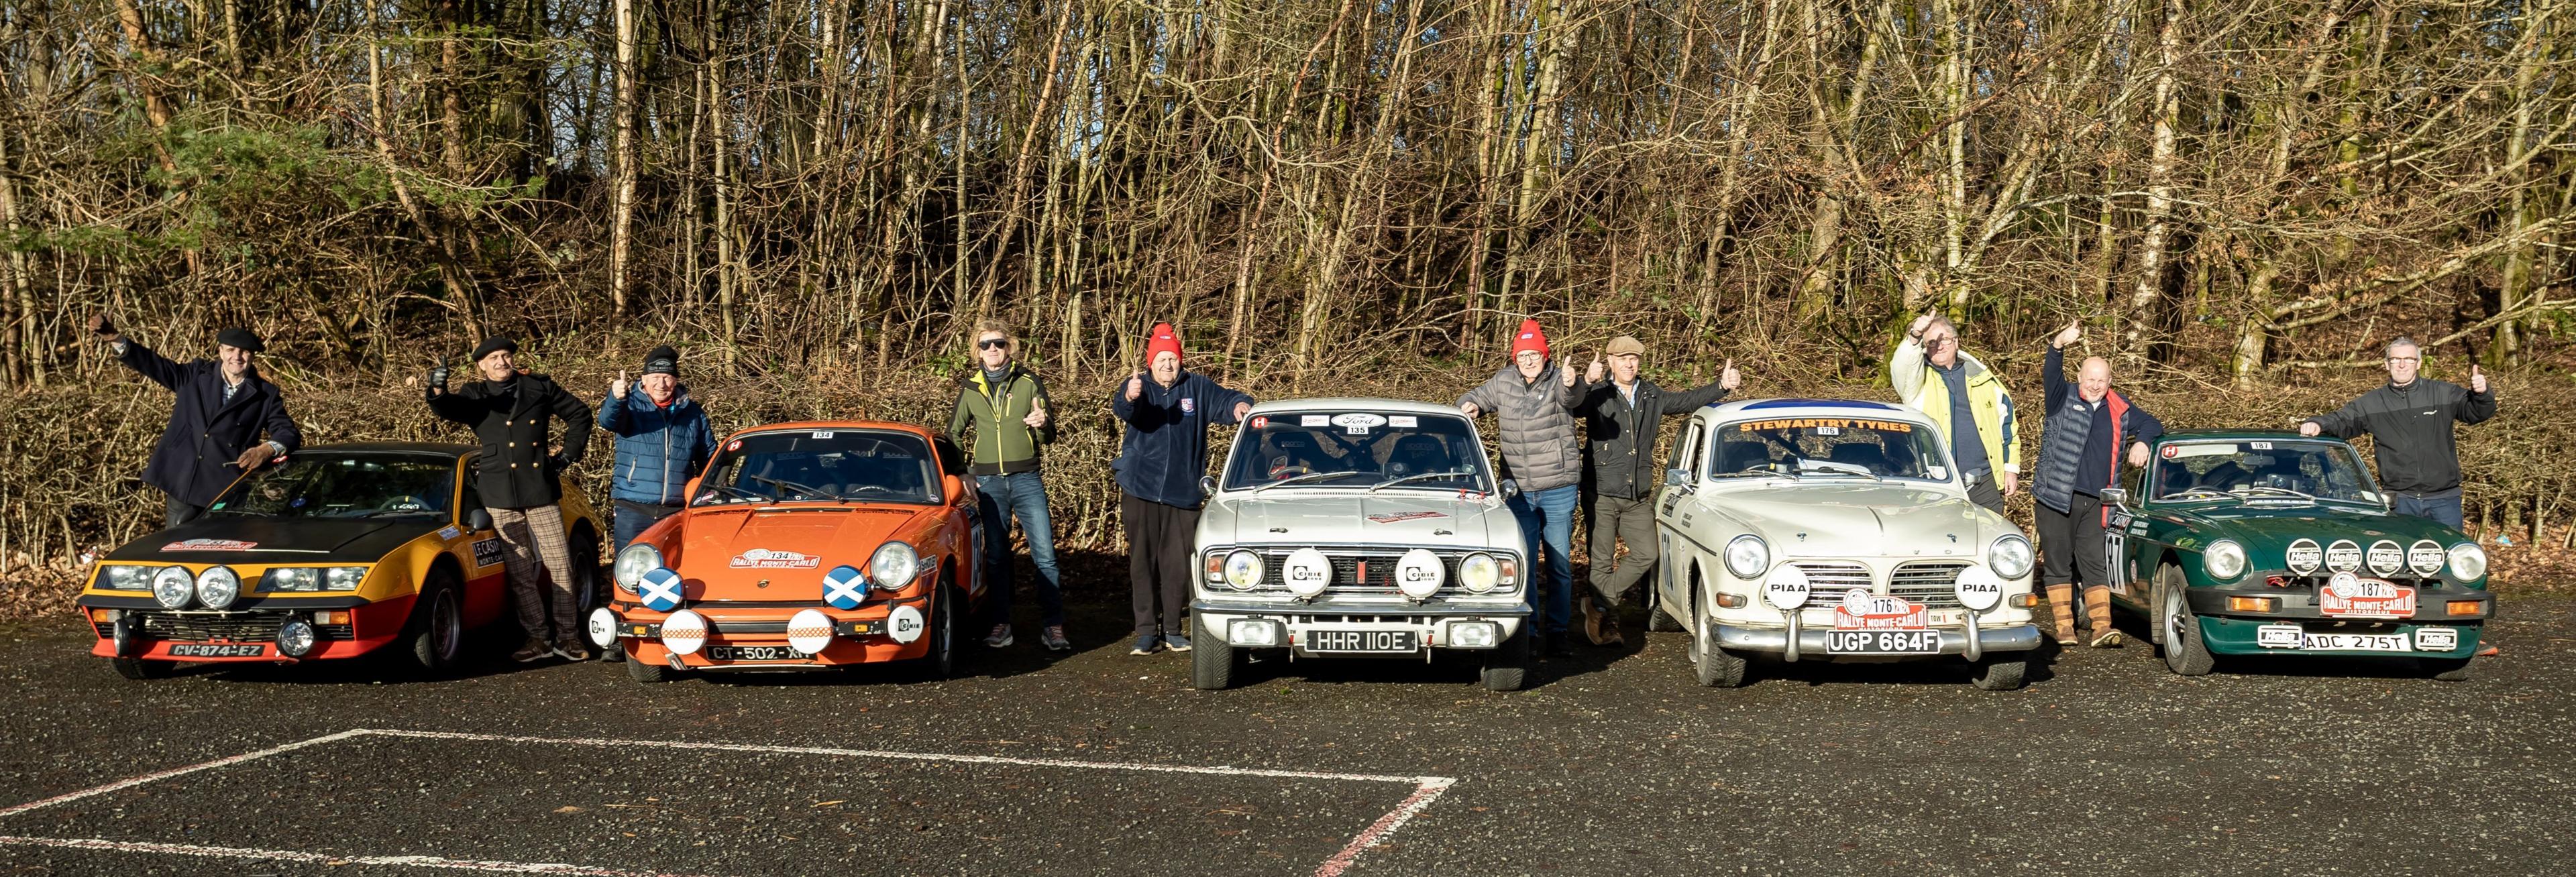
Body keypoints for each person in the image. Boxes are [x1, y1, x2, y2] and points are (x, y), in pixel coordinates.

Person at [414, 337, 596, 663]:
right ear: (481, 365)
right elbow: (449, 409)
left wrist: (567, 456)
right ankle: (537, 637)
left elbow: (580, 414)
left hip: (539, 487)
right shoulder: (475, 394)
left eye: (506, 355)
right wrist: (438, 389)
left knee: (560, 566)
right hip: (499, 492)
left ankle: (568, 637)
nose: (501, 361)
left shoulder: (539, 386)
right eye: (493, 358)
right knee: (520, 570)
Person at [1567, 335, 1739, 646]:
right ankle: (1609, 624)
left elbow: (1686, 401)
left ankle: (1598, 604)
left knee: (1648, 553)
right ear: (1611, 363)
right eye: (1622, 359)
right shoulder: (1597, 393)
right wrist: (1585, 380)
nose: (1629, 364)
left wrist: (1721, 388)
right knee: (1602, 562)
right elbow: (1574, 406)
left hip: (1637, 495)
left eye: (1633, 358)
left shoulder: (1651, 394)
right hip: (1602, 493)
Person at [1109, 323, 1253, 656]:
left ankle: (1173, 630)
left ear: (1180, 360)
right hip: (1140, 489)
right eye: (1160, 359)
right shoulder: (1139, 387)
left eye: (1172, 358)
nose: (1167, 365)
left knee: (1176, 566)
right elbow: (1125, 408)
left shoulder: (1197, 387)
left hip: (1184, 493)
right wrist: (1129, 396)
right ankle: (1146, 632)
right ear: (1150, 362)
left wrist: (1239, 406)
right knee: (1142, 563)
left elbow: (1229, 400)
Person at [89, 315, 303, 527]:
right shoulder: (195, 375)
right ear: (220, 352)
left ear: (253, 356)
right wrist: (114, 338)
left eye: (244, 352)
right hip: (185, 478)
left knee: (221, 550)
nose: (237, 357)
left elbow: (288, 433)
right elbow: (154, 365)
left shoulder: (266, 393)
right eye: (230, 350)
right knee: (179, 548)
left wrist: (266, 450)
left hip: (227, 486)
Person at [2031, 319, 2163, 648]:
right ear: (2079, 379)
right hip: (2055, 496)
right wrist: (2059, 343)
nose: (2095, 385)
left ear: (2109, 382)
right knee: (2059, 561)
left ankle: (2102, 626)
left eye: (2101, 380)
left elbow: (2153, 423)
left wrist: (2143, 442)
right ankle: (2064, 627)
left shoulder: (2119, 408)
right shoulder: (2061, 398)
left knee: (2094, 562)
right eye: (2090, 379)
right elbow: (2051, 371)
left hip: (2097, 500)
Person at [1458, 318, 1586, 658]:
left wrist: (1574, 384)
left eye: (1535, 354)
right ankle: (1526, 631)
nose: (1529, 360)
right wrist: (1468, 404)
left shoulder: (1560, 379)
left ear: (1545, 355)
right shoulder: (1504, 381)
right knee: (1524, 561)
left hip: (1558, 486)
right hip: (1517, 490)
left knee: (1559, 564)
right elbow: (1476, 396)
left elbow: (1573, 398)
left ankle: (1558, 632)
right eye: (1523, 355)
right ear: (1516, 358)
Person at [947, 320, 1070, 652]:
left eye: (998, 343)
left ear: (1009, 346)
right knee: (998, 558)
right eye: (986, 344)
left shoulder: (1030, 382)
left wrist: (1043, 425)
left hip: (1027, 479)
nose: (992, 350)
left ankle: (1053, 626)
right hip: (988, 483)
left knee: (1045, 556)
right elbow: (953, 433)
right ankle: (1001, 625)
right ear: (978, 350)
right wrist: (962, 472)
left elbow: (1050, 435)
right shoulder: (970, 388)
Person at [2299, 337, 2497, 529]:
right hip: (2400, 501)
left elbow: (2476, 413)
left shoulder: (2442, 393)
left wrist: (2482, 394)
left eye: (2408, 359)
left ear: (2418, 363)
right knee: (2400, 558)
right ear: (2387, 364)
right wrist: (2318, 422)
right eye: (2396, 359)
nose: (2402, 365)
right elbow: (2343, 420)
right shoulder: (2372, 403)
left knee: (2449, 558)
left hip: (2444, 500)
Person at [1889, 312, 2019, 514]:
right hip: (1936, 482)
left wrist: (2010, 468)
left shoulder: (1984, 379)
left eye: (1945, 340)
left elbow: (2008, 426)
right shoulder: (1917, 382)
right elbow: (1902, 367)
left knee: (1987, 539)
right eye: (1931, 342)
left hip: (1984, 481)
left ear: (1957, 342)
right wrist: (1915, 335)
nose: (1939, 346)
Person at [596, 345, 714, 549]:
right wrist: (616, 399)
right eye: (655, 377)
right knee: (631, 572)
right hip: (633, 509)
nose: (661, 384)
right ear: (644, 379)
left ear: (676, 380)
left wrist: (710, 491)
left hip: (676, 510)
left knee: (674, 572)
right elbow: (608, 422)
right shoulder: (630, 405)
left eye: (667, 377)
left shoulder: (693, 413)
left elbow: (708, 456)